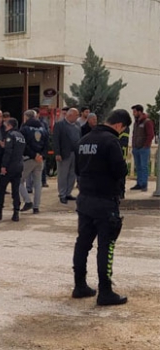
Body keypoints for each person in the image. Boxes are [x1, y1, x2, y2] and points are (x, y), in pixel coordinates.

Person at [71, 109, 132, 306]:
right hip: (105, 201)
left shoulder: (84, 140)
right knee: (106, 247)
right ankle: (105, 291)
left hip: (85, 199)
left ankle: (79, 285)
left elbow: (78, 170)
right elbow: (120, 170)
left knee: (83, 244)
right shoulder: (111, 141)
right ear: (119, 126)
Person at [0, 118, 26, 222]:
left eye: (6, 125)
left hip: (10, 166)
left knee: (1, 189)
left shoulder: (10, 135)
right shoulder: (21, 136)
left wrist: (3, 166)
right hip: (19, 165)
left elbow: (8, 152)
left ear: (10, 125)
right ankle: (16, 213)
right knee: (15, 190)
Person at [19, 110, 49, 214]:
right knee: (38, 183)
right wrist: (41, 155)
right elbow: (46, 144)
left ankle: (27, 201)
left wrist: (33, 155)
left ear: (26, 117)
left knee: (19, 180)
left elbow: (24, 144)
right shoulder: (43, 128)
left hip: (28, 159)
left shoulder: (24, 129)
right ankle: (36, 207)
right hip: (40, 159)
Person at [53, 108, 81, 204]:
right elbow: (55, 140)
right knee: (63, 175)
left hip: (75, 153)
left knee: (72, 174)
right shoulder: (59, 125)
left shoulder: (77, 125)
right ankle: (62, 194)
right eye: (76, 115)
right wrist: (57, 153)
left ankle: (68, 193)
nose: (77, 117)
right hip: (64, 154)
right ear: (69, 115)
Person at [130, 104, 155, 192]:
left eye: (135, 111)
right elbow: (134, 134)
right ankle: (139, 183)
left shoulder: (147, 122)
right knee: (138, 167)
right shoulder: (136, 122)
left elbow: (150, 135)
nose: (133, 113)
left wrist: (145, 145)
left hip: (144, 148)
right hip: (136, 148)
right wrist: (133, 145)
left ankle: (144, 184)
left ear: (140, 112)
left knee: (144, 167)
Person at [118, 126, 130, 199]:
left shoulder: (125, 128)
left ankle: (121, 193)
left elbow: (123, 141)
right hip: (120, 153)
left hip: (121, 154)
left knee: (121, 175)